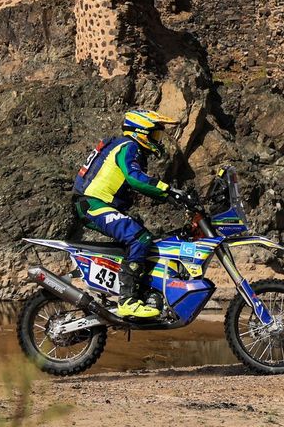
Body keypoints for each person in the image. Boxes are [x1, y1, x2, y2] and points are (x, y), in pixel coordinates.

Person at [71, 108, 197, 319]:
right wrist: (170, 191)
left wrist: (169, 196)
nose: (158, 140)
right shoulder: (128, 147)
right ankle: (128, 301)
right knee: (140, 237)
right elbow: (135, 178)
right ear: (141, 132)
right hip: (93, 203)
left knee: (143, 238)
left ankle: (140, 291)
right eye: (154, 134)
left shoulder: (121, 145)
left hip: (93, 202)